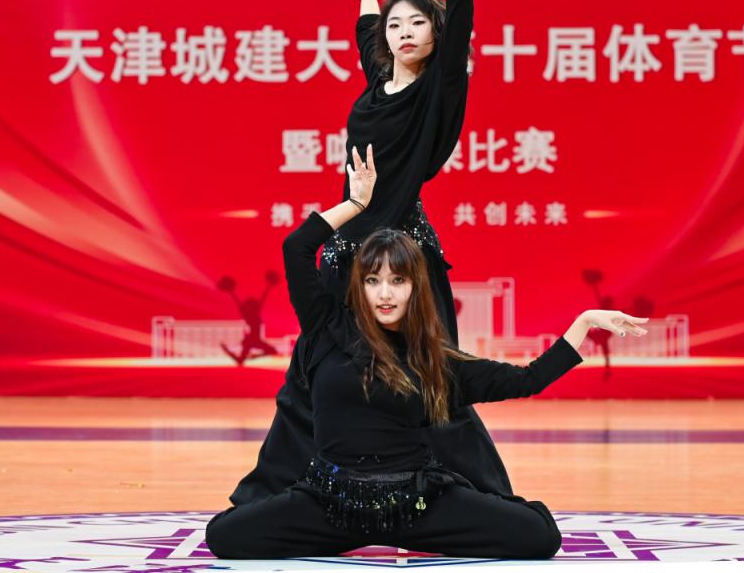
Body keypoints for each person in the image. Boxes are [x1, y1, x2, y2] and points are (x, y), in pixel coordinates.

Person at [206, 145, 649, 559]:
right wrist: (356, 205)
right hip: (331, 506)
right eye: (373, 280)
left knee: (539, 536)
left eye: (397, 281)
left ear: (415, 287)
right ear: (359, 286)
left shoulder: (434, 360)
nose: (385, 293)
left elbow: (527, 379)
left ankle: (424, 525)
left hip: (415, 508)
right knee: (224, 535)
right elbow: (296, 247)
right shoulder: (326, 327)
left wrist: (582, 324)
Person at [229, 0, 519, 507]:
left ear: (436, 35)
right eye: (396, 24)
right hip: (344, 253)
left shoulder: (437, 91)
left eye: (418, 23)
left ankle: (475, 499)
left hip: (403, 256)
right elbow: (368, 38)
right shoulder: (379, 81)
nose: (404, 32)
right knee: (313, 374)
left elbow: (460, 27)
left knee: (433, 380)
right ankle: (274, 496)